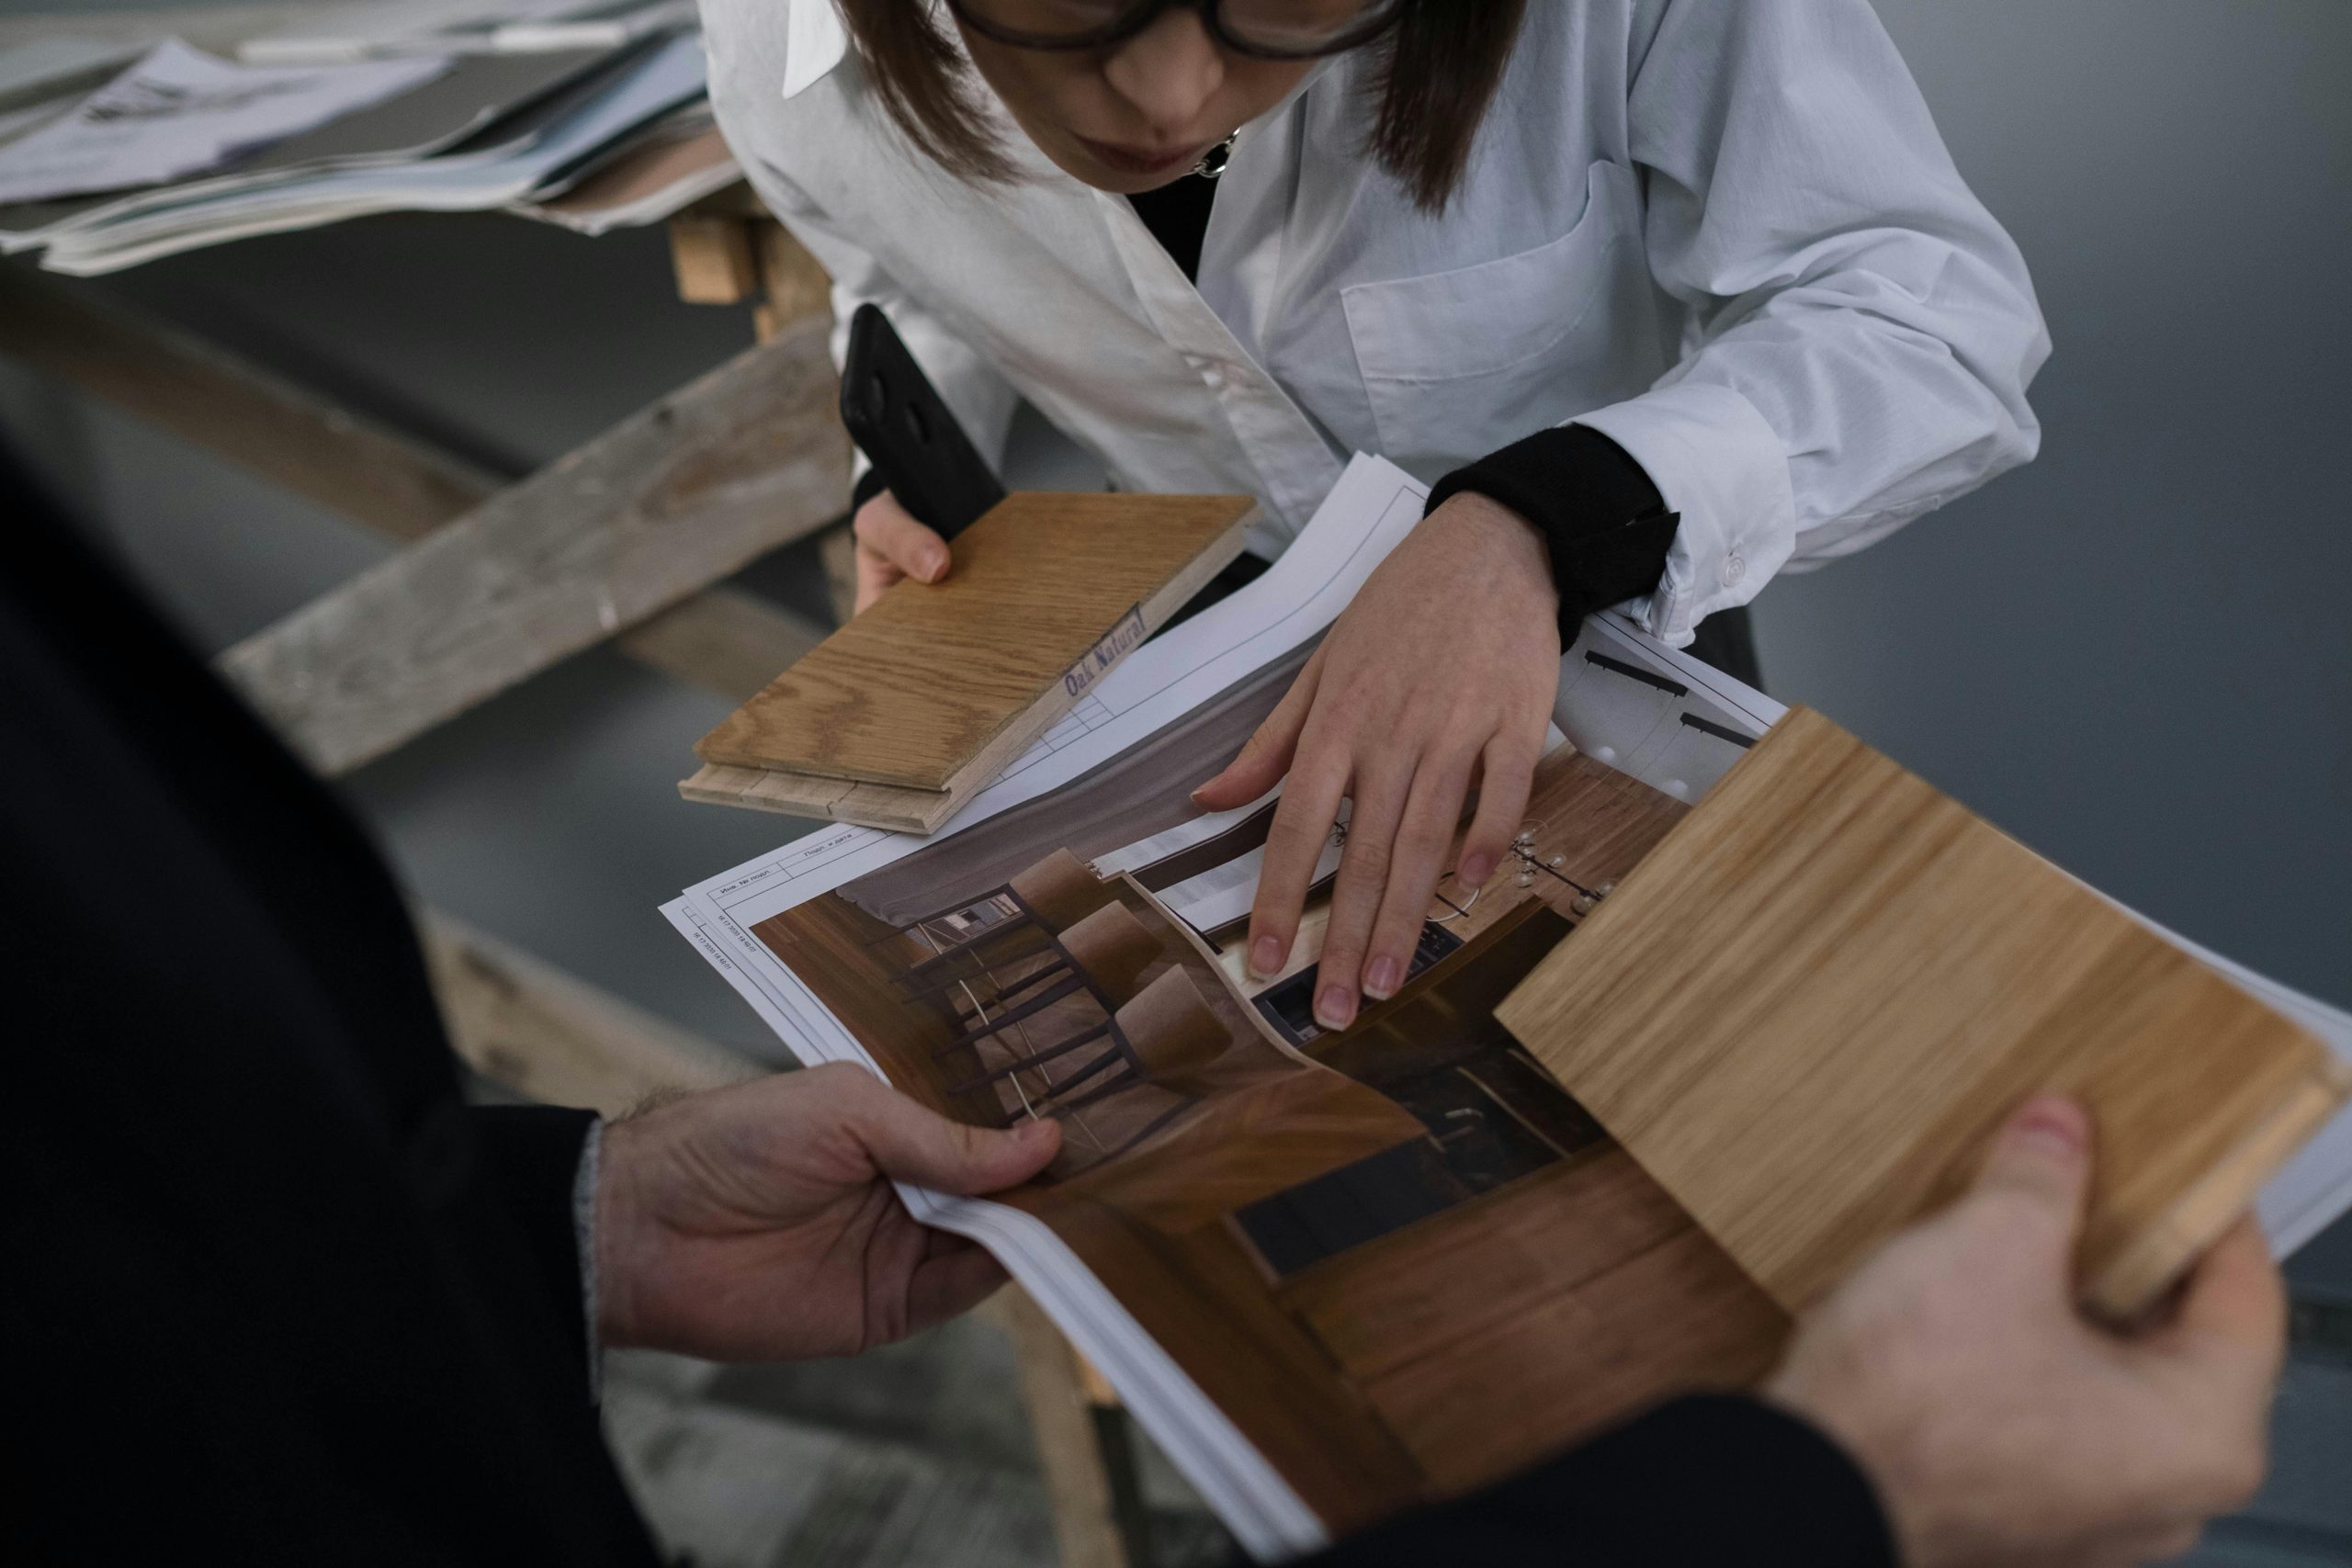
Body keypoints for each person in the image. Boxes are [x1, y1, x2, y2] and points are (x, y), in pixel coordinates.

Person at [1, 452, 2280, 1565]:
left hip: (1561, 721)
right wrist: (1811, 1504)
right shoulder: (798, 56)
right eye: (1056, 37)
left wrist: (548, 1214)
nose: (1169, 94)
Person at [702, 0, 2052, 1034]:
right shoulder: (778, 45)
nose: (1169, 92)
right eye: (1081, 5)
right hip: (1192, 665)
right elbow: (903, 254)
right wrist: (909, 464)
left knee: (1713, 1092)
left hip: (1615, 599)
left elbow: (1930, 319)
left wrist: (1536, 528)